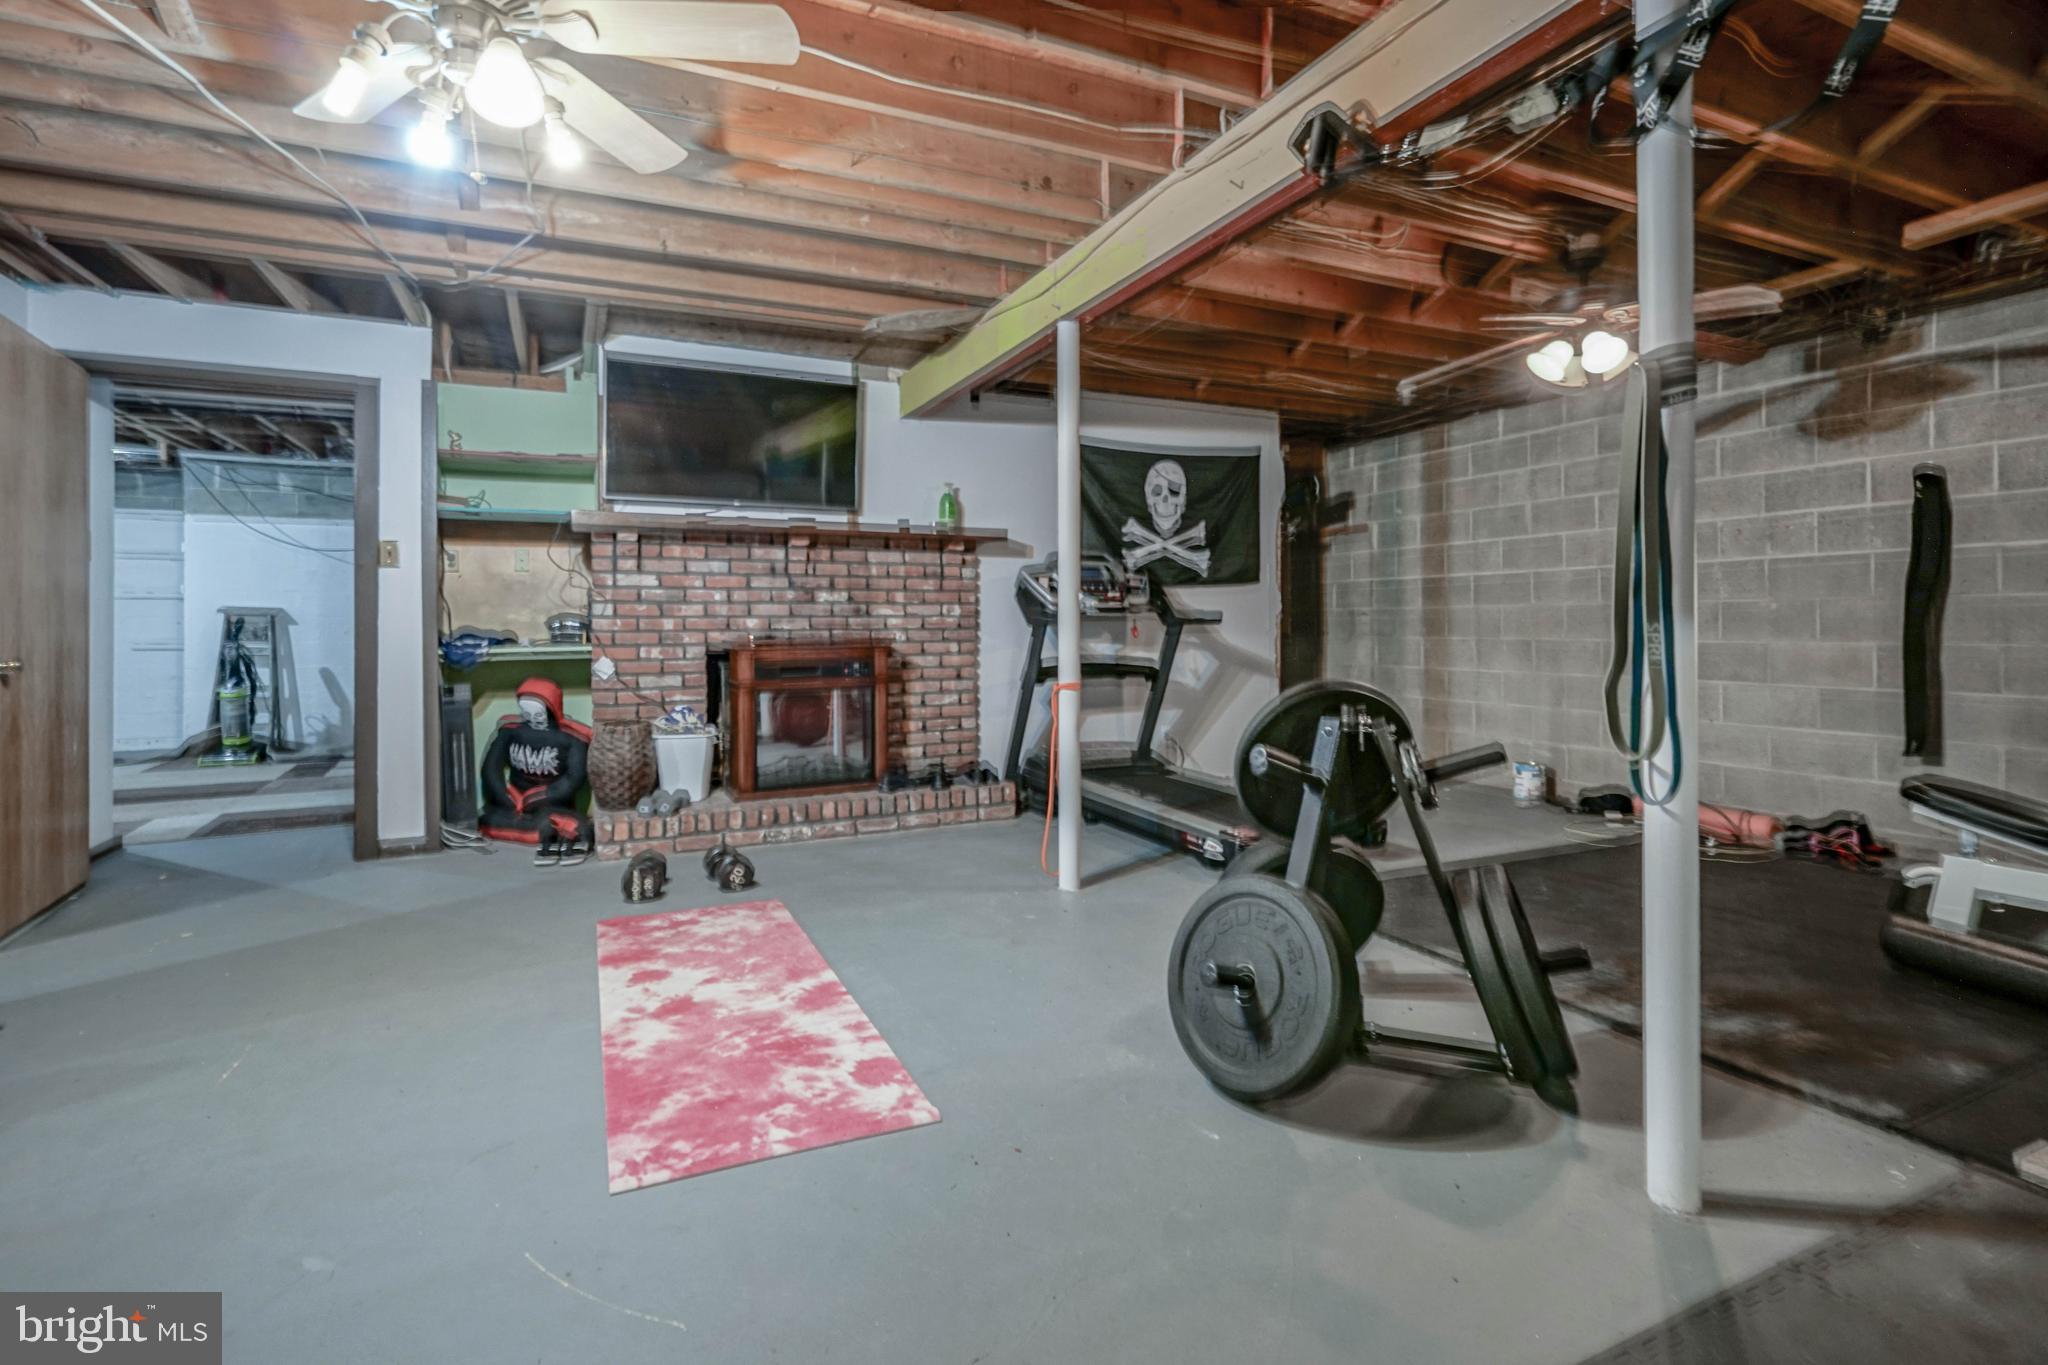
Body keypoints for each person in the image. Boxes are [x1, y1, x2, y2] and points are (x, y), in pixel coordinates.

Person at [479, 677, 592, 866]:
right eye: (527, 714)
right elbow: (491, 769)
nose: (533, 720)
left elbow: (573, 779)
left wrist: (536, 798)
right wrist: (506, 796)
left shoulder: (573, 738)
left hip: (553, 803)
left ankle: (554, 833)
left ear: (551, 709)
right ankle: (547, 831)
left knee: (571, 824)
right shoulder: (510, 731)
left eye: (538, 715)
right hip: (513, 802)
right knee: (486, 819)